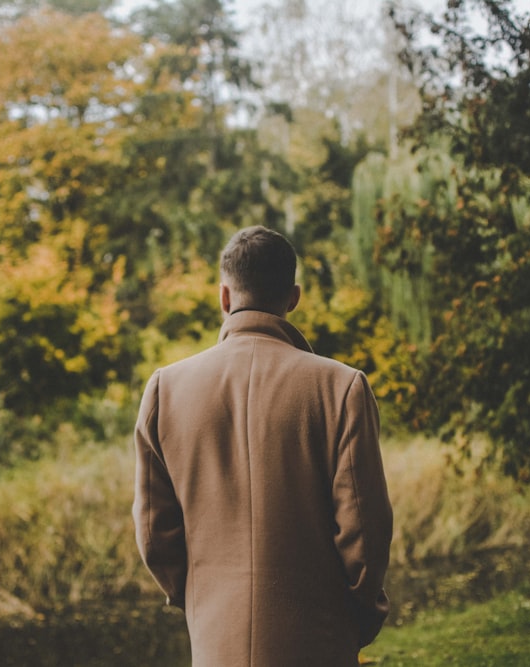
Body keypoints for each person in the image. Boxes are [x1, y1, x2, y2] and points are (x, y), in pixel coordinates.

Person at [132, 225, 393, 666]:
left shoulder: (166, 389)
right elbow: (365, 534)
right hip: (320, 644)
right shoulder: (340, 387)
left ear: (224, 297)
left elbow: (156, 535)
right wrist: (357, 620)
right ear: (293, 298)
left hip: (216, 644)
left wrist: (202, 602)